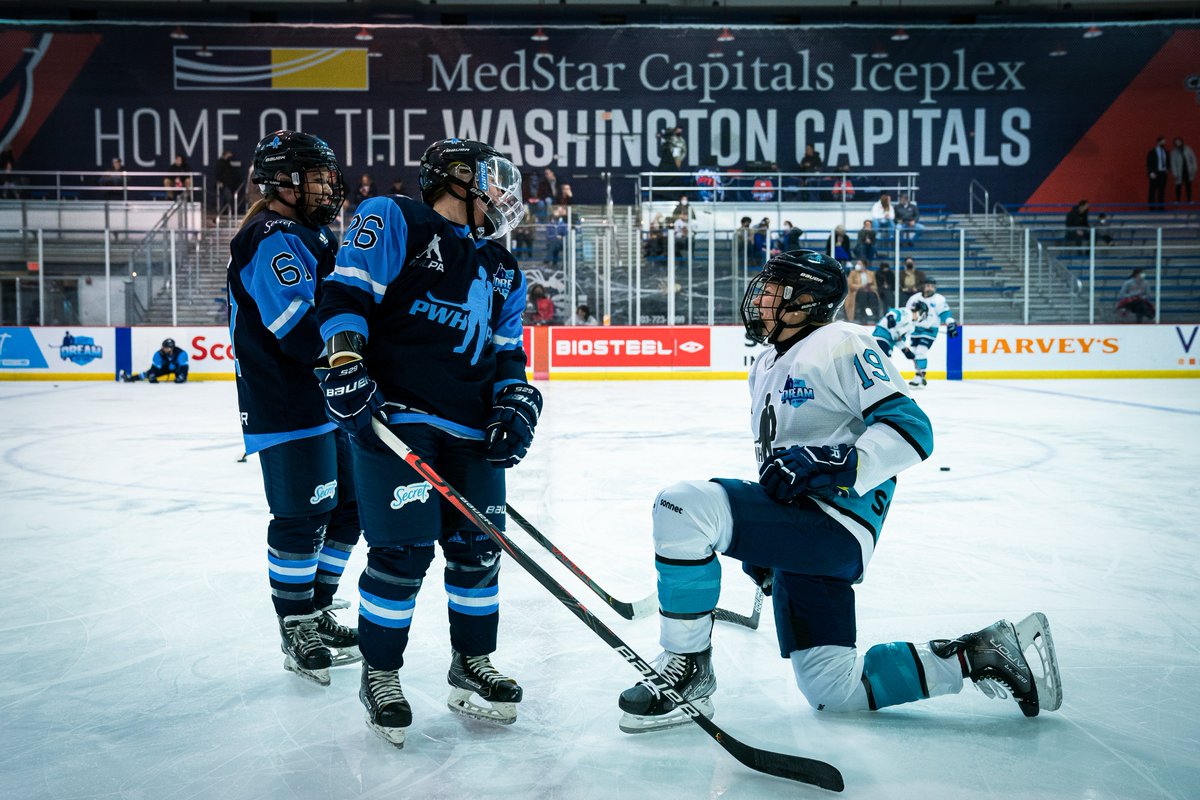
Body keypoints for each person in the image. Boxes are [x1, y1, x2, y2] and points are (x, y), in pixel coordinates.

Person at [616, 249, 1061, 733]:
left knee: (681, 506)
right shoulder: (764, 363)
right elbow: (781, 458)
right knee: (835, 691)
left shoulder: (842, 341)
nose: (760, 298)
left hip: (834, 523)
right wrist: (765, 541)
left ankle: (688, 674)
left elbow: (912, 430)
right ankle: (982, 653)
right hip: (804, 534)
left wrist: (835, 461)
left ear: (807, 300)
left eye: (774, 289)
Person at [314, 137, 537, 747]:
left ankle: (471, 664)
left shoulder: (502, 267)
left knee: (479, 551)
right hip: (399, 417)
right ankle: (380, 674)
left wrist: (516, 399)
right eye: (494, 178)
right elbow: (346, 294)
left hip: (471, 430)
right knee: (403, 554)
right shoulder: (394, 218)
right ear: (459, 178)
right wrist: (344, 360)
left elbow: (507, 353)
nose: (504, 194)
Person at [225, 130, 362, 690]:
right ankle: (296, 623)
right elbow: (297, 329)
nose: (330, 186)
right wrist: (355, 367)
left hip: (327, 402)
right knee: (301, 519)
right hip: (287, 404)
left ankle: (319, 607)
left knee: (350, 509)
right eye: (317, 176)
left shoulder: (313, 235)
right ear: (282, 182)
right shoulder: (271, 236)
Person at [904, 276, 959, 387]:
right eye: (928, 286)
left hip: (930, 330)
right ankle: (918, 375)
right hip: (915, 329)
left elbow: (945, 313)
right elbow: (908, 313)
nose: (930, 288)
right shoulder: (915, 298)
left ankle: (921, 376)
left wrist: (950, 323)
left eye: (932, 286)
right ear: (923, 286)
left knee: (921, 351)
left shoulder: (939, 299)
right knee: (915, 353)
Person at [120, 338, 189, 383]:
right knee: (148, 373)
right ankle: (130, 378)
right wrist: (152, 375)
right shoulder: (158, 354)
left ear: (171, 348)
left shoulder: (181, 353)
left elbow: (184, 367)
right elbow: (154, 368)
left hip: (177, 369)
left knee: (180, 379)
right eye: (163, 347)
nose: (163, 349)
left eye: (166, 348)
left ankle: (180, 377)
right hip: (164, 368)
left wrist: (182, 376)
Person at [1169, 137, 1196, 203]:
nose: (1178, 143)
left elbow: (1193, 159)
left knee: (1188, 186)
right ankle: (1178, 200)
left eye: (1179, 142)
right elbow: (1173, 163)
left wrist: (1194, 168)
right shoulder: (1174, 152)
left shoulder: (1188, 149)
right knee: (1178, 186)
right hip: (1179, 171)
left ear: (1182, 142)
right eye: (1176, 142)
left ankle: (1189, 200)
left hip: (1188, 170)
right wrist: (1175, 173)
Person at [215, 150, 241, 217]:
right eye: (229, 155)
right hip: (224, 184)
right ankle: (225, 212)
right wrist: (219, 181)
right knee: (228, 198)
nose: (230, 157)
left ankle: (222, 213)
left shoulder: (227, 163)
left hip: (229, 184)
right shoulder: (220, 163)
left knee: (224, 199)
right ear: (226, 155)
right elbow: (218, 173)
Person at [1146, 136, 1168, 211]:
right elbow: (1149, 163)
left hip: (1163, 173)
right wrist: (1151, 172)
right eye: (1162, 141)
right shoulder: (1152, 152)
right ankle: (1151, 207)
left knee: (1161, 190)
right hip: (1155, 173)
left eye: (1164, 142)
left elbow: (1167, 162)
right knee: (1152, 190)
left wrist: (1167, 169)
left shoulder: (1166, 152)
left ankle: (1160, 207)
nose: (1164, 143)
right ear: (1158, 142)